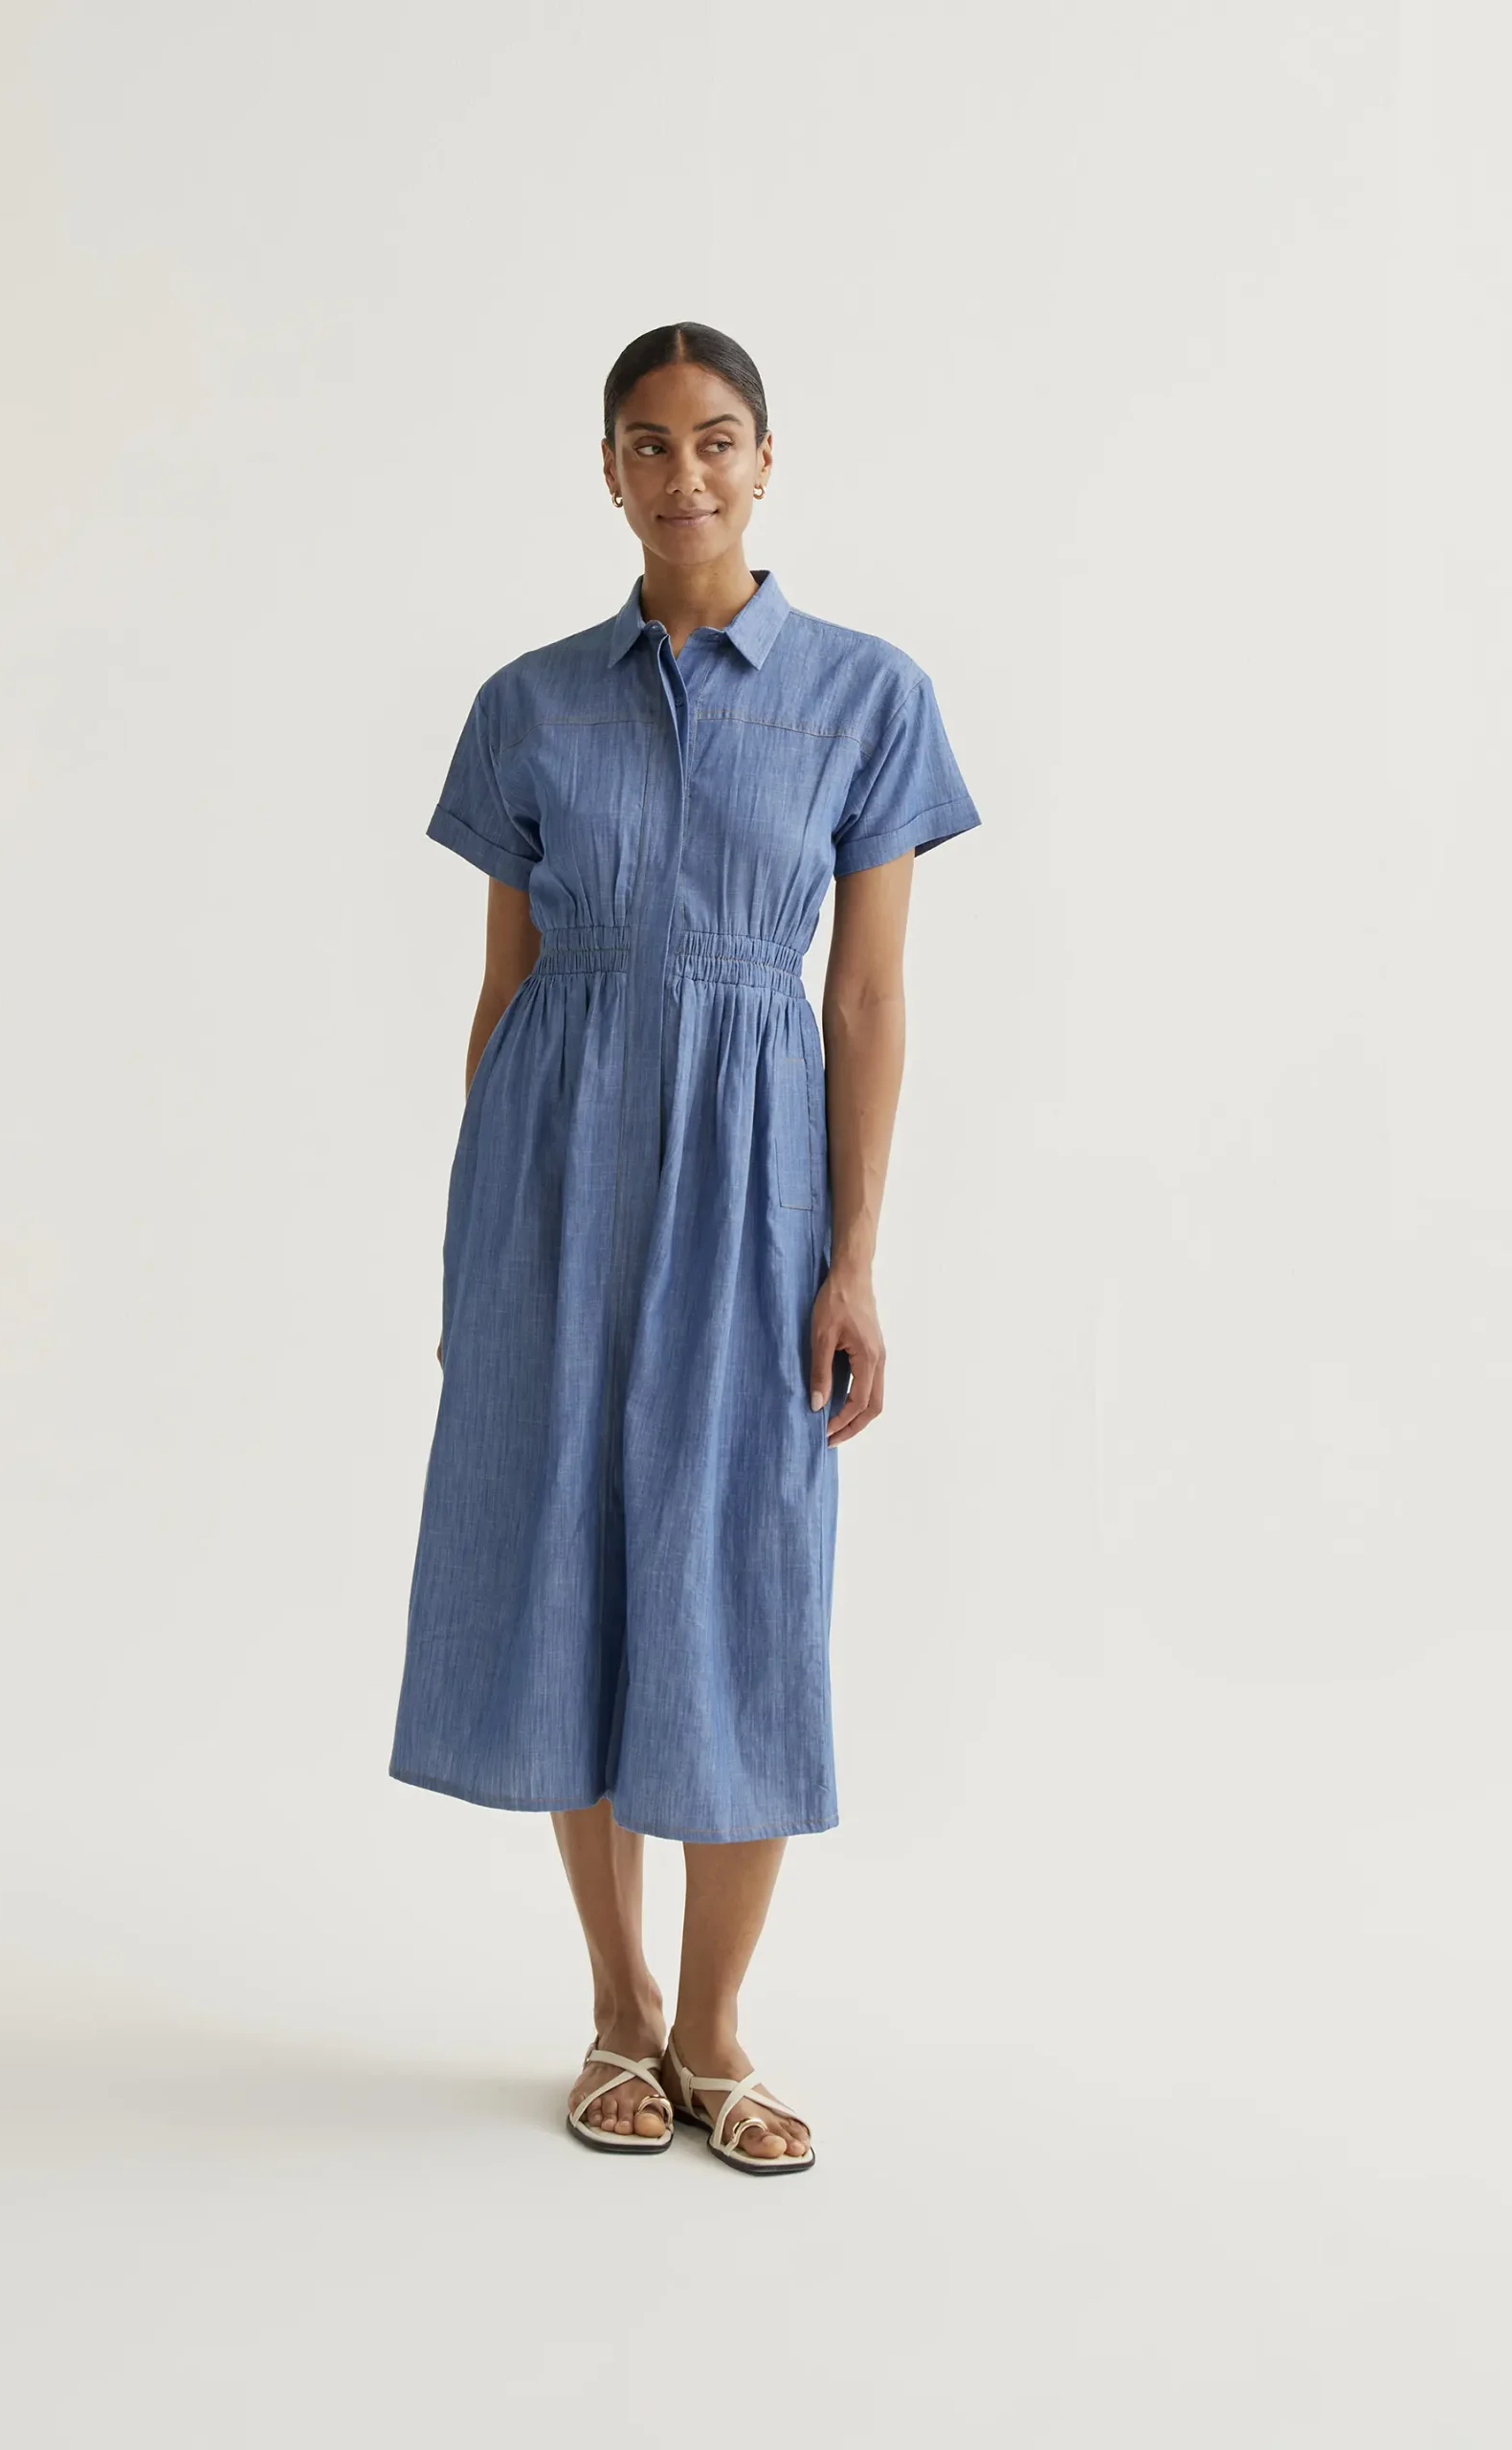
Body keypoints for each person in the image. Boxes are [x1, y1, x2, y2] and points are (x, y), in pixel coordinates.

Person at [390, 322, 982, 2173]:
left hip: (754, 1186)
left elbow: (864, 1000)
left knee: (742, 1570)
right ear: (607, 472)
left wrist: (853, 1256)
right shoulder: (527, 703)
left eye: (715, 439)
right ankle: (617, 2013)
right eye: (646, 444)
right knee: (566, 1564)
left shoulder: (865, 696)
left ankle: (718, 2033)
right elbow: (501, 994)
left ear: (766, 459)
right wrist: (478, 1243)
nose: (683, 473)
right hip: (551, 1183)